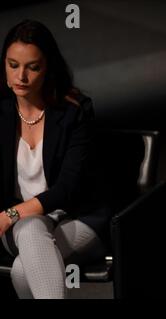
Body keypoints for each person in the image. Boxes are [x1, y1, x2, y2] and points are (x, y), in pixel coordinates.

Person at [0, 20, 110, 298]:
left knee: (22, 270)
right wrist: (14, 216)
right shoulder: (1, 112)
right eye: (13, 65)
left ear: (48, 67)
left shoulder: (75, 111)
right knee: (29, 226)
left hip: (77, 217)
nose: (21, 76)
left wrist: (12, 214)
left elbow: (67, 189)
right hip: (16, 227)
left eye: (32, 67)